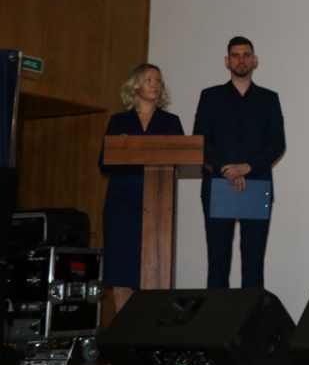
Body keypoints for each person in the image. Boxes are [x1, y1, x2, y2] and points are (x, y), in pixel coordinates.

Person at [194, 36, 285, 289]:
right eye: (235, 55)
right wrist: (227, 169)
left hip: (256, 184)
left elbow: (277, 142)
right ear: (227, 61)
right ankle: (217, 316)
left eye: (246, 55)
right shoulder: (210, 97)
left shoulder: (269, 98)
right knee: (217, 267)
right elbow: (201, 139)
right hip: (218, 184)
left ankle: (250, 316)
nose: (241, 60)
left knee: (253, 267)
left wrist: (247, 167)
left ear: (255, 60)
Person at [99, 64, 184, 309]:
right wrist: (123, 150)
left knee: (154, 267)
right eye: (148, 80)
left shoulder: (170, 122)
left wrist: (136, 151)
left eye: (158, 80)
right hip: (122, 201)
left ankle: (145, 325)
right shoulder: (119, 121)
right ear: (135, 85)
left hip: (158, 201)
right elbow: (103, 163)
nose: (154, 84)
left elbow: (180, 158)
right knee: (122, 268)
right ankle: (122, 327)